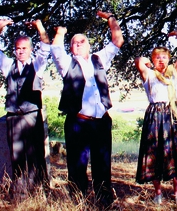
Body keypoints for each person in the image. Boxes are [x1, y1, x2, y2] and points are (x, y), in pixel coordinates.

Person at [51, 11, 123, 207]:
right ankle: (77, 203)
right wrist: (62, 32)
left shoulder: (99, 58)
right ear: (71, 47)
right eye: (75, 42)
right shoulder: (67, 63)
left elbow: (118, 40)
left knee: (102, 165)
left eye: (82, 41)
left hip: (101, 122)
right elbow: (56, 49)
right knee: (77, 165)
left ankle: (104, 202)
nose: (79, 44)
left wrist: (110, 19)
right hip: (78, 122)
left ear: (89, 46)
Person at [0, 18, 50, 193]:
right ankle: (21, 192)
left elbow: (45, 47)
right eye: (18, 48)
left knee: (36, 154)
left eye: (24, 48)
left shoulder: (38, 65)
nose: (21, 52)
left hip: (32, 115)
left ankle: (39, 191)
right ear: (14, 50)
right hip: (14, 116)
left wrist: (39, 26)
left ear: (30, 50)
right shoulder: (8, 66)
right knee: (17, 155)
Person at [134, 31, 177, 205]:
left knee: (175, 152)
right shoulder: (149, 75)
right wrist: (145, 60)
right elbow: (138, 62)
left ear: (169, 59)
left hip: (172, 114)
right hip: (155, 115)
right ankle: (158, 193)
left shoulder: (174, 72)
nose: (161, 60)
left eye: (164, 57)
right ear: (153, 60)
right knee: (155, 152)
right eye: (157, 57)